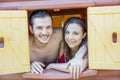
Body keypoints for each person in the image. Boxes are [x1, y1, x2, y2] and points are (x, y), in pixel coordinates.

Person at [29, 10, 88, 77]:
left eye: (48, 27)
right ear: (31, 29)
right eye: (39, 28)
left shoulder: (60, 34)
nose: (44, 33)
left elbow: (87, 39)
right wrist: (28, 65)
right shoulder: (24, 43)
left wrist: (78, 56)